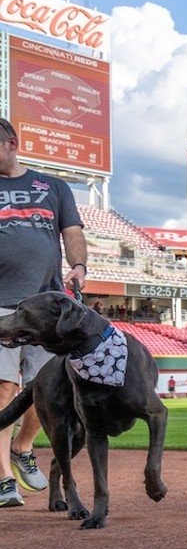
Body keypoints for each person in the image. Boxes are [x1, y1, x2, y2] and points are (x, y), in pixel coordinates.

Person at [0, 117, 86, 507]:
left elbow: (72, 232)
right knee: (4, 389)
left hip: (46, 306)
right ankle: (4, 478)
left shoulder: (53, 186)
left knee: (45, 390)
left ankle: (22, 446)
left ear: (12, 143)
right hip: (1, 304)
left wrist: (79, 266)